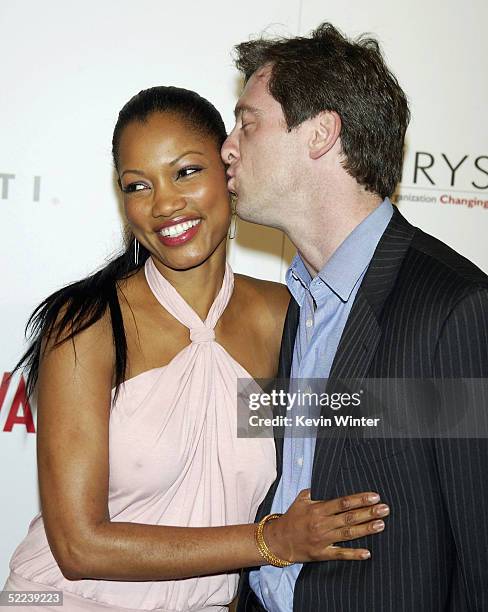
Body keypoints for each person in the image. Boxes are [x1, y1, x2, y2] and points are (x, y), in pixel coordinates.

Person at [2, 86, 390, 611]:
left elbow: (363, 419)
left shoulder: (283, 315)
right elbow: (78, 546)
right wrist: (269, 543)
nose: (163, 204)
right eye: (138, 185)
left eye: (186, 172)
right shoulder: (87, 324)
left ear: (228, 170)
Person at [222, 22, 488, 612]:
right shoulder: (300, 303)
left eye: (247, 122)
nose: (227, 147)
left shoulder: (457, 308)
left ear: (320, 133)